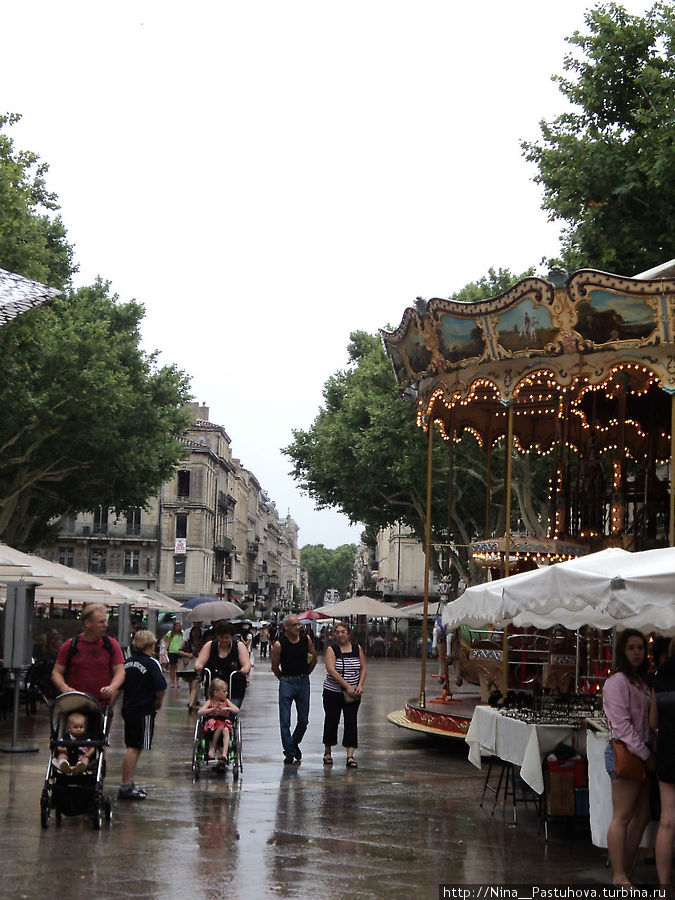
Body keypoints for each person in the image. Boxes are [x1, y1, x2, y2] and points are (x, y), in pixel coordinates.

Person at [603, 628, 655, 885]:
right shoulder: (617, 683)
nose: (637, 653)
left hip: (642, 752)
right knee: (622, 816)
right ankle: (619, 874)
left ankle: (626, 867)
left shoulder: (642, 682)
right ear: (623, 651)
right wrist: (646, 753)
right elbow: (622, 726)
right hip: (626, 751)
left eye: (640, 648)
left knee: (642, 815)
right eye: (631, 648)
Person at [118, 629, 167, 800]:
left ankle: (128, 781)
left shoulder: (128, 662)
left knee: (131, 745)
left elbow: (120, 685)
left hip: (129, 709)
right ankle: (125, 784)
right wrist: (158, 702)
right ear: (151, 645)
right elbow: (161, 686)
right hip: (144, 710)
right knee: (135, 748)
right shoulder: (151, 663)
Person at [51, 604, 126, 709]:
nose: (106, 625)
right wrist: (64, 688)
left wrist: (112, 688)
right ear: (88, 623)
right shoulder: (70, 645)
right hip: (75, 704)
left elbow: (120, 671)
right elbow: (56, 672)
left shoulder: (111, 644)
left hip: (101, 706)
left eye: (106, 621)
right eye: (101, 622)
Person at [270, 614, 317, 764]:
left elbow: (313, 658)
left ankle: (293, 744)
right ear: (286, 628)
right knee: (285, 721)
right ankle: (289, 752)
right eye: (294, 625)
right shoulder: (280, 644)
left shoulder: (306, 640)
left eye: (298, 624)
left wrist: (306, 674)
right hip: (287, 682)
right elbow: (274, 666)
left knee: (303, 720)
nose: (298, 627)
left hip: (303, 681)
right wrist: (283, 679)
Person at [322, 622, 366, 768]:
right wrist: (347, 686)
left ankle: (350, 756)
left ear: (349, 634)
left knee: (351, 722)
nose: (340, 635)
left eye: (343, 632)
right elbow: (331, 670)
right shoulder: (332, 649)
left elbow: (363, 668)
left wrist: (359, 685)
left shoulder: (356, 648)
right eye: (337, 632)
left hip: (353, 693)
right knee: (331, 720)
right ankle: (328, 752)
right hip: (333, 692)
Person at [650, 636, 675, 888]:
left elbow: (653, 723)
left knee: (667, 820)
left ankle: (664, 887)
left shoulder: (660, 676)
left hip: (668, 751)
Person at [194, 621, 251, 709]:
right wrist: (198, 666)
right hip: (214, 689)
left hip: (234, 688)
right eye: (221, 637)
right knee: (211, 711)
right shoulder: (210, 645)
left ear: (232, 637)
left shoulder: (239, 646)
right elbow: (200, 660)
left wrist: (245, 669)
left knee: (231, 712)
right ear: (217, 636)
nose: (224, 640)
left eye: (227, 638)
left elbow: (246, 663)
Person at [197, 677, 239, 762]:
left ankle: (224, 753)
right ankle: (212, 747)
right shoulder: (210, 701)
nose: (226, 693)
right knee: (220, 725)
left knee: (226, 729)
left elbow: (237, 710)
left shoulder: (226, 701)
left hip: (224, 723)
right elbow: (200, 712)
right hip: (212, 725)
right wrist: (212, 709)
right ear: (215, 693)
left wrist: (228, 708)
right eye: (224, 691)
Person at [52, 710, 96, 775]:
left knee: (86, 759)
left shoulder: (85, 738)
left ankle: (80, 766)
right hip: (68, 755)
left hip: (81, 756)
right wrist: (63, 749)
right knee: (61, 755)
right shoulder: (66, 737)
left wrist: (88, 754)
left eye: (81, 727)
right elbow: (59, 745)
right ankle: (63, 764)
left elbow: (92, 747)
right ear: (69, 728)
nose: (78, 729)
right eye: (75, 727)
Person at [178, 623, 205, 712]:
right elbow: (179, 651)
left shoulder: (203, 643)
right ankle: (193, 701)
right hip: (190, 667)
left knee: (194, 684)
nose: (196, 633)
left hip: (199, 667)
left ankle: (191, 703)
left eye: (198, 631)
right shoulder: (187, 642)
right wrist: (188, 655)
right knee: (192, 685)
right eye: (194, 631)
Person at [166, 620, 184, 689]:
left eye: (179, 625)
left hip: (180, 651)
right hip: (172, 651)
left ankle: (177, 681)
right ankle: (173, 681)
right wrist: (165, 649)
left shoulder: (182, 633)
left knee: (178, 667)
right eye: (176, 625)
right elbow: (167, 641)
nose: (178, 626)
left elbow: (184, 641)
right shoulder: (170, 633)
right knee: (172, 667)